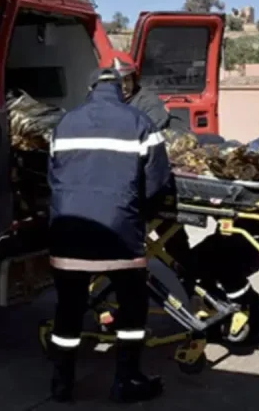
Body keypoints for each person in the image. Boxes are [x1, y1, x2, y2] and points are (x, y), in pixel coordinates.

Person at [107, 51, 259, 344]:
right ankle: (196, 288)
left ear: (134, 78)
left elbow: (144, 145)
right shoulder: (114, 105)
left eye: (127, 79)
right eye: (119, 80)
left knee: (174, 252)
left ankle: (206, 295)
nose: (124, 85)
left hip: (154, 189)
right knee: (173, 251)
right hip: (149, 193)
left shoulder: (147, 105)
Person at [46, 66, 174, 404]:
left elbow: (53, 176)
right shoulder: (139, 123)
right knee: (132, 307)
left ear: (90, 89)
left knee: (69, 308)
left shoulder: (64, 124)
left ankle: (62, 383)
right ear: (121, 90)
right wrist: (135, 210)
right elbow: (158, 181)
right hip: (119, 233)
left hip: (68, 231)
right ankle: (126, 381)